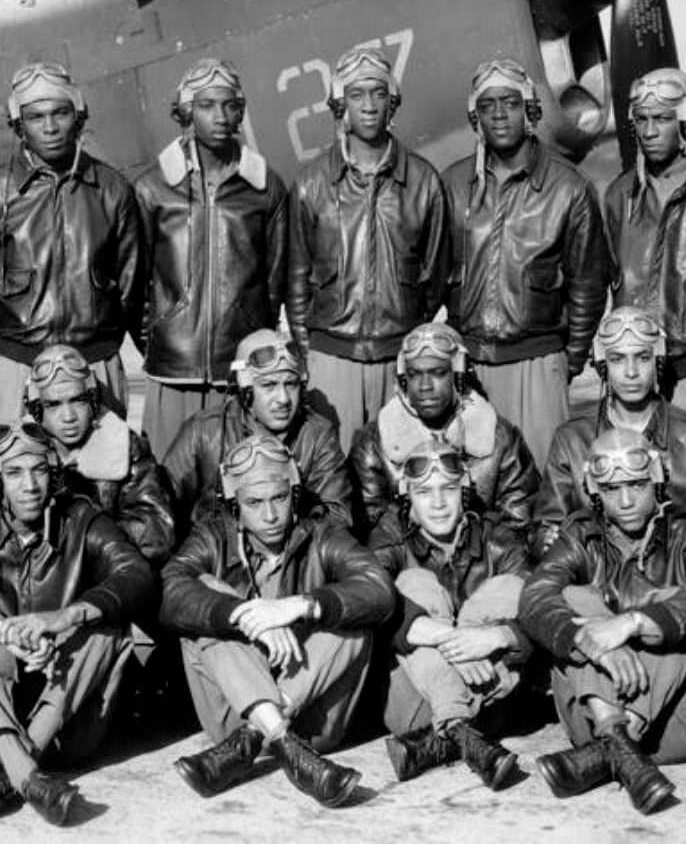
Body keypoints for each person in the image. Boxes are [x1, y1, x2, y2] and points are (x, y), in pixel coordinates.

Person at [0, 423, 157, 828]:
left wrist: (64, 618)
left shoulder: (80, 517)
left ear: (53, 474)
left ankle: (14, 772)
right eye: (15, 474)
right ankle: (25, 772)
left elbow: (136, 574)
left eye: (38, 471)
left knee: (106, 617)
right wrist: (0, 631)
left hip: (67, 726)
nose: (30, 486)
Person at [160, 434, 392, 809]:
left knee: (351, 619)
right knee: (206, 607)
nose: (269, 515)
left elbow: (378, 589)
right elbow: (170, 590)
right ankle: (284, 743)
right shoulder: (213, 536)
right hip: (231, 717)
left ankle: (259, 734)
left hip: (311, 724)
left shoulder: (322, 533)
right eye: (254, 503)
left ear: (294, 494)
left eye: (279, 498)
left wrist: (297, 606)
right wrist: (244, 614)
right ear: (234, 505)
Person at [520, 429, 686, 816]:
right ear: (594, 491)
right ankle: (615, 739)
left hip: (677, 727)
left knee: (682, 607)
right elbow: (535, 598)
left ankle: (611, 747)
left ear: (657, 479)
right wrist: (588, 640)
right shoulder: (580, 535)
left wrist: (633, 623)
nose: (625, 501)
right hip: (593, 715)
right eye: (611, 489)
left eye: (636, 484)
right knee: (572, 600)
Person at [442, 58, 609, 463]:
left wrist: (568, 360)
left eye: (511, 103)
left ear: (531, 110)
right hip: (471, 361)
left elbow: (588, 282)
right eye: (487, 105)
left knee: (543, 484)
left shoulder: (569, 187)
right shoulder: (451, 184)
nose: (499, 114)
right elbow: (431, 275)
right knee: (476, 485)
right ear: (474, 116)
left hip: (539, 362)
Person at [288, 47, 453, 447]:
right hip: (332, 356)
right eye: (357, 95)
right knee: (335, 470)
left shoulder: (423, 181)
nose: (368, 106)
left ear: (392, 102)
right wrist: (311, 353)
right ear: (340, 104)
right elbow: (296, 281)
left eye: (378, 94)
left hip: (398, 354)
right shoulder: (311, 184)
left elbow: (435, 276)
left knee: (399, 468)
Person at [0, 62, 146, 427]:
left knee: (104, 476)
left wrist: (102, 352)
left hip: (95, 363)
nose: (50, 127)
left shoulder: (113, 190)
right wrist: (8, 357)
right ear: (19, 125)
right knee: (20, 476)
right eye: (36, 117)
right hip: (17, 365)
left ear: (78, 117)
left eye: (60, 113)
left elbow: (133, 290)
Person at [132, 58, 290, 460]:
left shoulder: (265, 186)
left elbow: (274, 282)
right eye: (206, 105)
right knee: (168, 478)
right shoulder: (153, 188)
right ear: (185, 113)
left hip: (237, 368)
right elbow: (136, 282)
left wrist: (252, 338)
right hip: (172, 369)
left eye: (229, 105)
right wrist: (163, 336)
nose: (220, 116)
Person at [367, 435, 526, 790]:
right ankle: (456, 727)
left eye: (448, 490)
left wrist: (493, 636)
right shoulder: (390, 537)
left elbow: (541, 612)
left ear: (464, 491)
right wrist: (453, 643)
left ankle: (443, 740)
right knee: (413, 582)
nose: (437, 503)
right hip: (413, 702)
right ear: (408, 497)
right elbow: (368, 607)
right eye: (424, 493)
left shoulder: (497, 538)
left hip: (490, 693)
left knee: (510, 589)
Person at [602, 68, 686, 463]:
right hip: (634, 379)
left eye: (661, 119)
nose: (648, 131)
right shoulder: (618, 196)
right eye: (641, 120)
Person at [538, 307, 686, 542]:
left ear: (658, 361)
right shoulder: (570, 440)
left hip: (676, 569)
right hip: (597, 569)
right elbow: (546, 528)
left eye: (642, 358)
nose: (631, 372)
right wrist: (546, 541)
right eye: (617, 359)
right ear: (602, 365)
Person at [347, 321, 536, 540]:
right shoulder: (374, 442)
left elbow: (519, 524)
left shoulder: (501, 439)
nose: (424, 386)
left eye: (437, 372)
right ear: (402, 378)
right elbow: (367, 530)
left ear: (459, 375)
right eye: (414, 374)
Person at [160, 330, 355, 540]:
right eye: (269, 385)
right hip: (219, 556)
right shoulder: (204, 432)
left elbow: (337, 518)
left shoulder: (317, 435)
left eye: (291, 384)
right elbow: (163, 510)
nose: (283, 399)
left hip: (292, 558)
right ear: (245, 390)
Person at [23, 344, 175, 566]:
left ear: (93, 401)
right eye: (54, 405)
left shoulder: (127, 446)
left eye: (78, 400)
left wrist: (83, 541)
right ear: (38, 411)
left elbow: (156, 534)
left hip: (109, 569)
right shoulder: (19, 451)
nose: (68, 417)